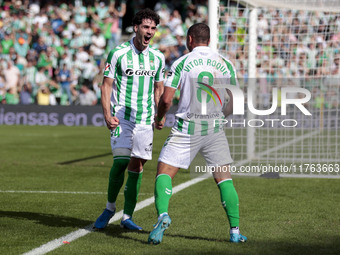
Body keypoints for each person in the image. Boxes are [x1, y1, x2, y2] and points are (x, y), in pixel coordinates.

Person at [148, 23, 247, 244]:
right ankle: (235, 231)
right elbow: (238, 101)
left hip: (188, 127)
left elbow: (166, 99)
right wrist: (221, 116)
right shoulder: (226, 64)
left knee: (164, 170)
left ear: (190, 39)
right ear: (209, 40)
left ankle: (163, 215)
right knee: (224, 179)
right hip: (214, 128)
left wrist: (160, 117)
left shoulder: (182, 62)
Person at [94, 9, 165, 231]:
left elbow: (159, 88)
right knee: (121, 161)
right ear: (135, 27)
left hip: (145, 120)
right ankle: (109, 207)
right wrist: (107, 114)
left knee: (137, 166)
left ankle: (127, 217)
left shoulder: (158, 57)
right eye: (146, 27)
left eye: (153, 28)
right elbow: (106, 85)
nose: (150, 32)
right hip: (122, 116)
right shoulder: (118, 53)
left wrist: (158, 114)